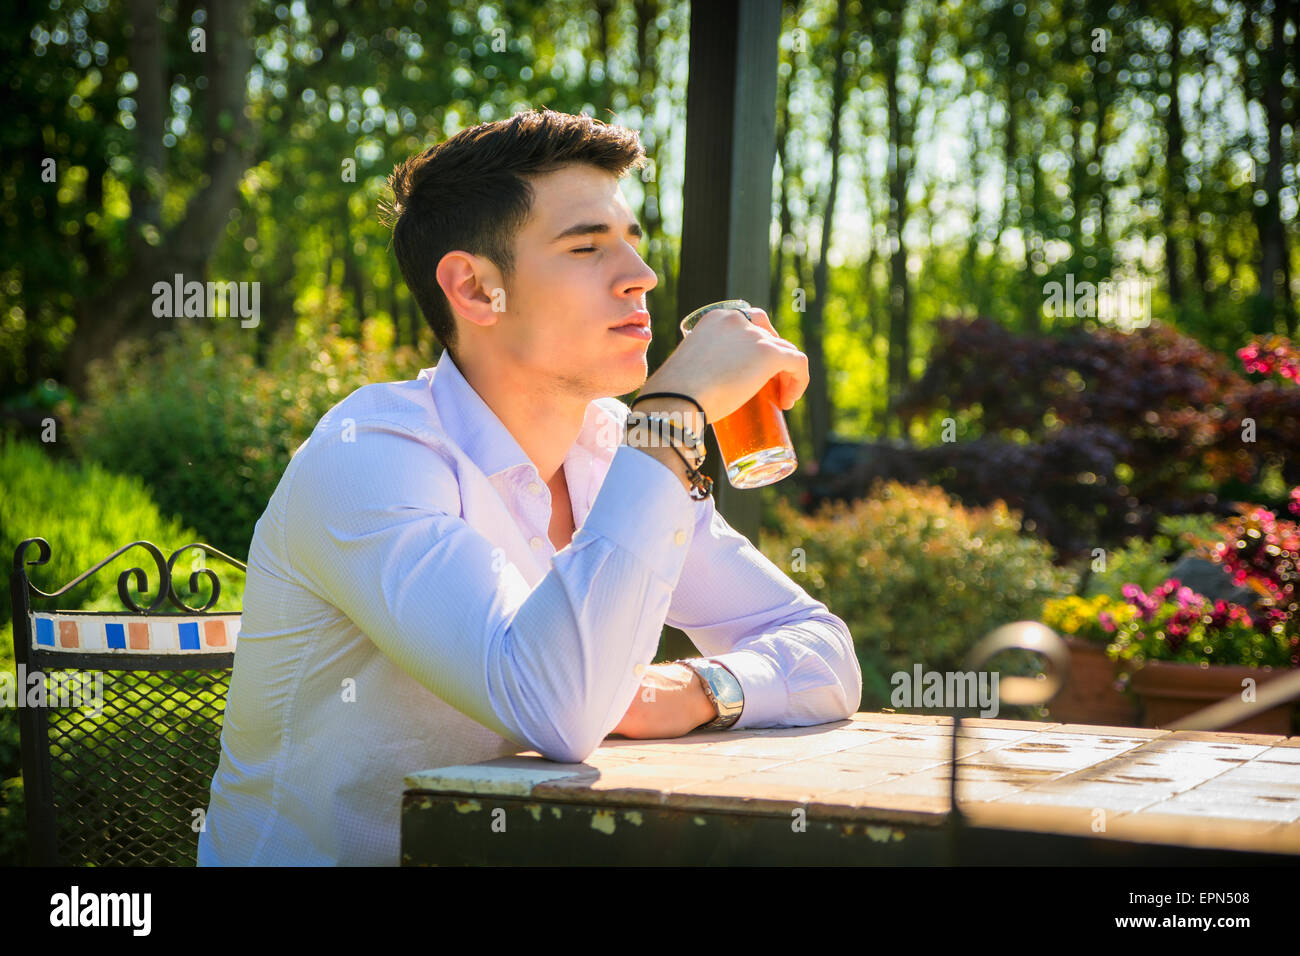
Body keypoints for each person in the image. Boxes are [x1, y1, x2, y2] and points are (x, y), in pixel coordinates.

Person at [198, 109, 861, 866]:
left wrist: (699, 688)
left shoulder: (613, 447)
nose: (641, 277)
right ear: (476, 289)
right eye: (586, 247)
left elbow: (826, 655)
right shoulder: (369, 456)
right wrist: (673, 414)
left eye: (634, 245)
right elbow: (558, 707)